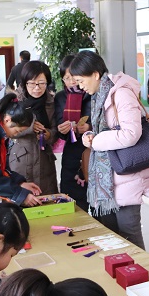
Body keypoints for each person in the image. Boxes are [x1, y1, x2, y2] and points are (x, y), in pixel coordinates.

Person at [72, 51, 149, 249]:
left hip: (126, 176)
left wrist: (96, 141)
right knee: (111, 236)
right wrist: (89, 136)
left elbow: (131, 133)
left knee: (129, 235)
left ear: (95, 74)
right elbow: (103, 130)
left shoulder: (121, 93)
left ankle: (139, 270)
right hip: (106, 180)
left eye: (81, 81)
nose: (80, 86)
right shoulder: (99, 96)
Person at [8, 61, 59, 194]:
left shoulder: (51, 102)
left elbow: (56, 130)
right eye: (32, 83)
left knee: (47, 199)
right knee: (21, 200)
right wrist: (30, 127)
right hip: (20, 159)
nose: (37, 88)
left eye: (42, 83)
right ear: (24, 82)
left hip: (45, 160)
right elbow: (7, 130)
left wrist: (49, 134)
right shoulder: (14, 102)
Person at [54, 54, 92, 210]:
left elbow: (106, 123)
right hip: (72, 155)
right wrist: (61, 129)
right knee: (74, 204)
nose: (71, 82)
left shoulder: (92, 94)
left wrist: (89, 127)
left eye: (74, 77)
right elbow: (58, 125)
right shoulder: (60, 97)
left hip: (93, 152)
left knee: (98, 207)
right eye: (66, 78)